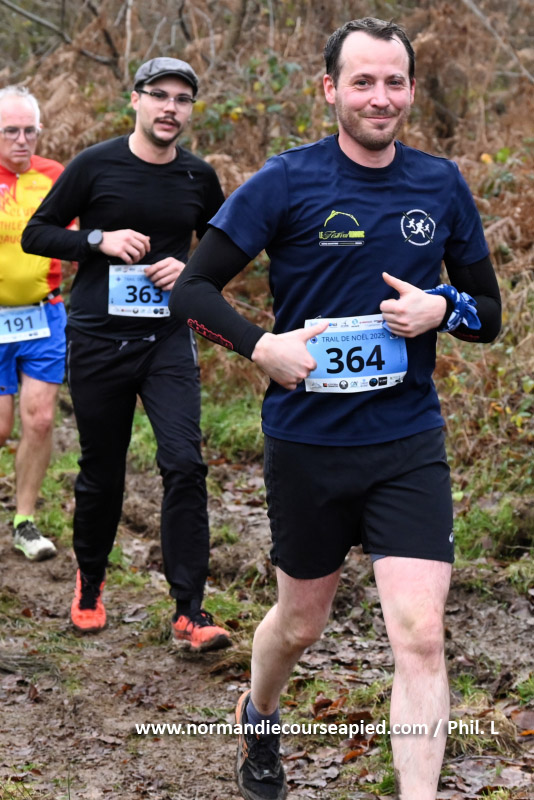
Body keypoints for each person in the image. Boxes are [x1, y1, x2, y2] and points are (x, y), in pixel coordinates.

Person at [169, 18, 501, 800]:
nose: (380, 98)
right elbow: (192, 289)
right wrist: (261, 347)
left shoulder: (440, 183)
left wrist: (443, 307)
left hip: (407, 439)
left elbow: (488, 314)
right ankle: (259, 714)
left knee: (420, 634)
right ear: (330, 90)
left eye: (394, 82)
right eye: (363, 82)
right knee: (300, 626)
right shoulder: (287, 181)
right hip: (308, 443)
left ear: (411, 89)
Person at [22, 57, 231, 652]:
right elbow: (37, 233)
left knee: (185, 465)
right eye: (160, 95)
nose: (171, 108)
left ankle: (189, 610)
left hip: (166, 340)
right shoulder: (95, 165)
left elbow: (225, 249)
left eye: (182, 99)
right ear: (135, 99)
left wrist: (190, 269)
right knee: (102, 471)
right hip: (97, 340)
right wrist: (98, 239)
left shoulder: (198, 176)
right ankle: (90, 583)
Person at [0, 85, 66, 562]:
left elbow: (87, 232)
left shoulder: (56, 177)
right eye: (10, 132)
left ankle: (24, 521)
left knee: (40, 419)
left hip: (44, 313)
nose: (22, 140)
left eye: (30, 131)